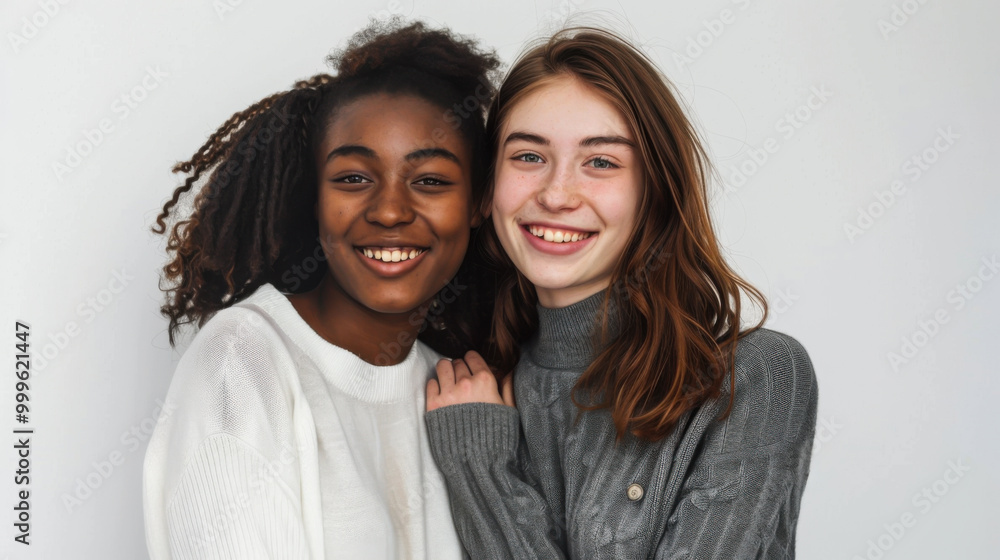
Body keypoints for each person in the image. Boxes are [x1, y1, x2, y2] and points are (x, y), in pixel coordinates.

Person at [425, 26, 819, 559]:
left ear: (654, 190)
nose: (556, 194)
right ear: (488, 185)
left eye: (601, 162)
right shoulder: (465, 385)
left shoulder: (752, 379)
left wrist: (482, 470)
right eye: (528, 157)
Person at [143, 19, 499, 559]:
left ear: (478, 205)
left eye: (430, 181)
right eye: (354, 178)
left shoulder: (453, 391)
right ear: (314, 199)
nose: (389, 210)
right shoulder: (245, 360)